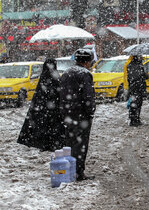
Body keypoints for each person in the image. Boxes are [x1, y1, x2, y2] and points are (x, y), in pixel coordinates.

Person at [59, 49, 96, 181]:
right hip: (81, 115)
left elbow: (62, 93)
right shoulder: (85, 74)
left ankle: (70, 169)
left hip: (68, 114)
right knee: (81, 144)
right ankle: (79, 172)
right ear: (86, 62)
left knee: (70, 142)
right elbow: (88, 95)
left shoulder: (66, 73)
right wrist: (90, 110)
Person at [17, 58, 65, 151]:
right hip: (54, 109)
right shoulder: (56, 77)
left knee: (43, 126)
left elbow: (40, 94)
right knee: (54, 127)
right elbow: (58, 92)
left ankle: (43, 143)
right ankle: (53, 143)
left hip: (43, 108)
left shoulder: (43, 77)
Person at [127, 55, 149, 126]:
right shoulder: (139, 65)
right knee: (138, 103)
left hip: (133, 88)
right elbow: (142, 76)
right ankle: (136, 119)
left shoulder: (129, 65)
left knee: (133, 103)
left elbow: (129, 78)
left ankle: (133, 119)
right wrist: (145, 74)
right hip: (139, 88)